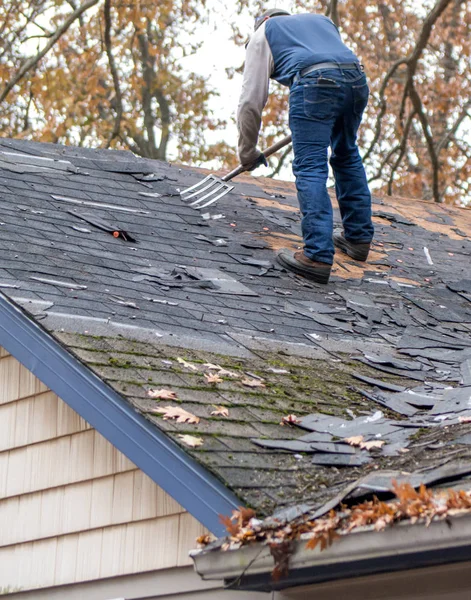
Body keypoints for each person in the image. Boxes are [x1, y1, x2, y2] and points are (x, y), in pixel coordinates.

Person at [237, 9, 374, 284]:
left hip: (314, 83)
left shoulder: (263, 34)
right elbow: (333, 63)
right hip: (356, 80)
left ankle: (316, 256)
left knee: (310, 165)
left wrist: (247, 152)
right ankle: (357, 239)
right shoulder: (320, 21)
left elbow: (250, 102)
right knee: (346, 153)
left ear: (260, 22)